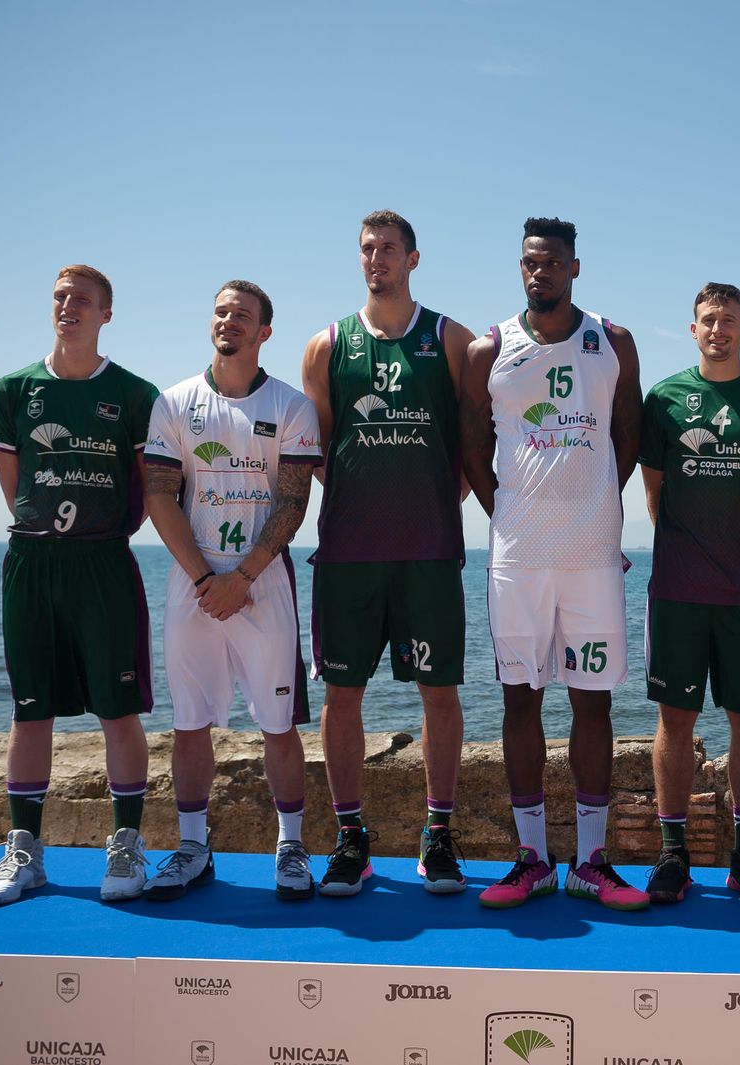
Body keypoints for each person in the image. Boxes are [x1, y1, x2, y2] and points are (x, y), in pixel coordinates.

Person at [460, 217, 647, 910]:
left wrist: (593, 503)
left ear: (574, 268)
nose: (540, 273)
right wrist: (507, 510)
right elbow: (472, 447)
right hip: (519, 560)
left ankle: (593, 860)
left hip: (592, 557)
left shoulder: (614, 341)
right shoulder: (490, 350)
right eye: (530, 263)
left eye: (553, 263)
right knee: (521, 700)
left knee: (593, 703)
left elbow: (627, 436)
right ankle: (532, 857)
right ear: (521, 268)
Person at [301, 211, 477, 897]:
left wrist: (430, 498)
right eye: (367, 249)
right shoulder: (327, 345)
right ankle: (352, 838)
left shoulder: (450, 339)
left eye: (389, 249)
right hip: (350, 551)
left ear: (413, 259)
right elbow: (319, 451)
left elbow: (470, 447)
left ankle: (438, 837)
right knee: (343, 695)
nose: (377, 259)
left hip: (429, 551)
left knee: (441, 694)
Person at [0, 264, 159, 906]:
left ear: (106, 314)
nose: (68, 306)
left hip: (102, 563)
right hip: (33, 564)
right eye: (59, 297)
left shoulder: (136, 395)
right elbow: (15, 477)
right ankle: (24, 852)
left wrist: (100, 532)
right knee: (31, 711)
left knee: (118, 710)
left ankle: (127, 848)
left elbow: (147, 487)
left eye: (82, 299)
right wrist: (44, 531)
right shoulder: (12, 389)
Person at [141, 281, 321, 901]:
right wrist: (204, 579)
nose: (229, 322)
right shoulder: (173, 403)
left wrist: (241, 577)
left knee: (277, 724)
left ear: (264, 331)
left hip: (262, 586)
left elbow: (295, 499)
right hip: (193, 588)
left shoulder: (292, 406)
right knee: (190, 724)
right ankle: (193, 847)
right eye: (220, 312)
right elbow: (160, 494)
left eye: (242, 315)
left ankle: (291, 847)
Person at [638, 282, 740, 905]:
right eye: (708, 320)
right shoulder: (664, 398)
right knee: (673, 722)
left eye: (729, 320)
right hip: (679, 590)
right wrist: (690, 547)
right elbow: (654, 492)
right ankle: (674, 854)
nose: (719, 329)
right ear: (693, 329)